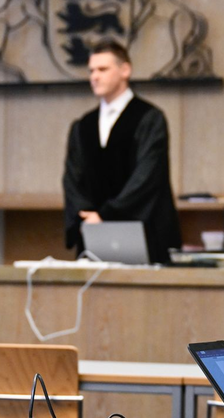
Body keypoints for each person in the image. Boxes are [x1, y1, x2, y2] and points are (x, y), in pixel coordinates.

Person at [62, 40, 181, 264]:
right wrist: (85, 215)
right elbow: (72, 178)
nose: (95, 76)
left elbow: (147, 176)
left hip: (144, 231)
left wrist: (107, 215)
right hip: (93, 232)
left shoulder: (149, 118)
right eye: (91, 71)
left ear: (125, 70)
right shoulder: (83, 125)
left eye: (103, 69)